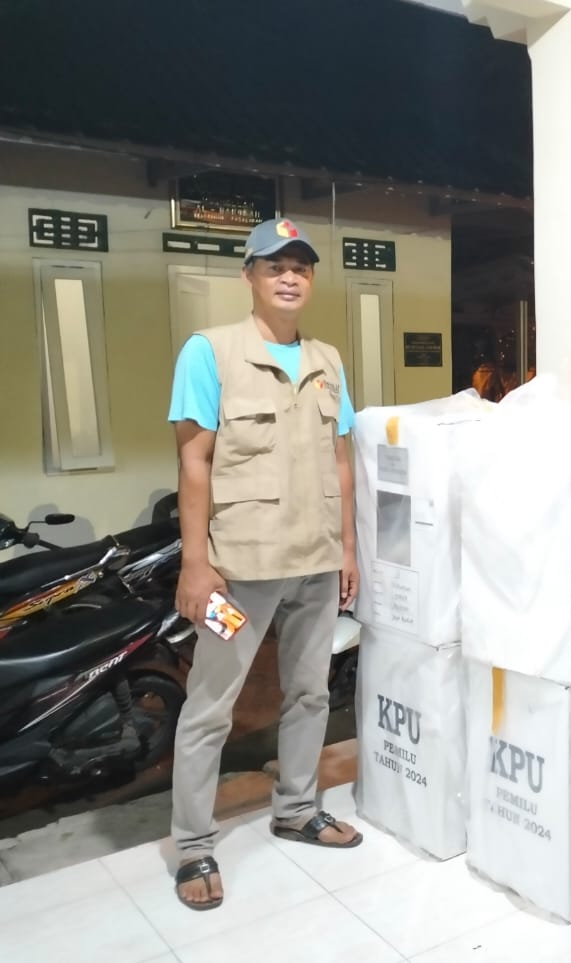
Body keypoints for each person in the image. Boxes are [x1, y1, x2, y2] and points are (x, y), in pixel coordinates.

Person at [168, 217, 363, 911]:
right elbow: (194, 460)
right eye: (275, 265)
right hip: (240, 566)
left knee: (311, 692)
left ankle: (297, 807)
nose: (289, 277)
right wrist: (196, 564)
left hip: (315, 559)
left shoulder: (327, 360)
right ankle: (193, 844)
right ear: (248, 275)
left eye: (300, 267)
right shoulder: (209, 352)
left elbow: (340, 458)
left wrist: (347, 547)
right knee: (210, 705)